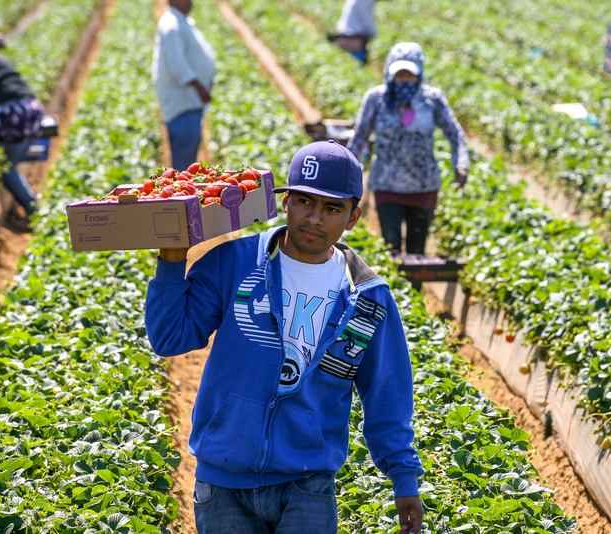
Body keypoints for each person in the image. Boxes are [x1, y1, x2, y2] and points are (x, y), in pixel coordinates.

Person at [145, 140, 424, 534]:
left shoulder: (366, 299)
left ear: (353, 217)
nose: (314, 218)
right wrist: (171, 261)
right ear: (285, 201)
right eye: (305, 201)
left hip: (307, 482)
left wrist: (403, 478)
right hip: (224, 479)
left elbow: (387, 394)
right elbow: (170, 338)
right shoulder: (236, 262)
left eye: (332, 208)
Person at [348, 42, 469, 256]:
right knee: (391, 246)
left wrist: (461, 163)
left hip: (423, 186)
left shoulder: (432, 99)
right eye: (399, 75)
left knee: (417, 251)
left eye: (410, 76)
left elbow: (454, 134)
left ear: (419, 74)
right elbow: (360, 138)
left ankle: (416, 277)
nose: (405, 81)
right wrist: (347, 172)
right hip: (387, 184)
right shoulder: (377, 99)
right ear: (389, 73)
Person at [0, 37, 44, 228]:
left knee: (4, 167)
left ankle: (34, 210)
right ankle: (34, 208)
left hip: (11, 114)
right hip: (30, 109)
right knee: (7, 163)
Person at [152, 0, 215, 171]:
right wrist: (199, 87)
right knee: (184, 160)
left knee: (188, 152)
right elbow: (177, 65)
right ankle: (181, 187)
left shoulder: (179, 21)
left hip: (189, 101)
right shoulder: (171, 26)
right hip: (182, 103)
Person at [333, 0, 376, 65]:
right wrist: (373, 32)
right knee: (360, 62)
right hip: (353, 35)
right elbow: (366, 16)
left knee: (352, 62)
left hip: (348, 32)